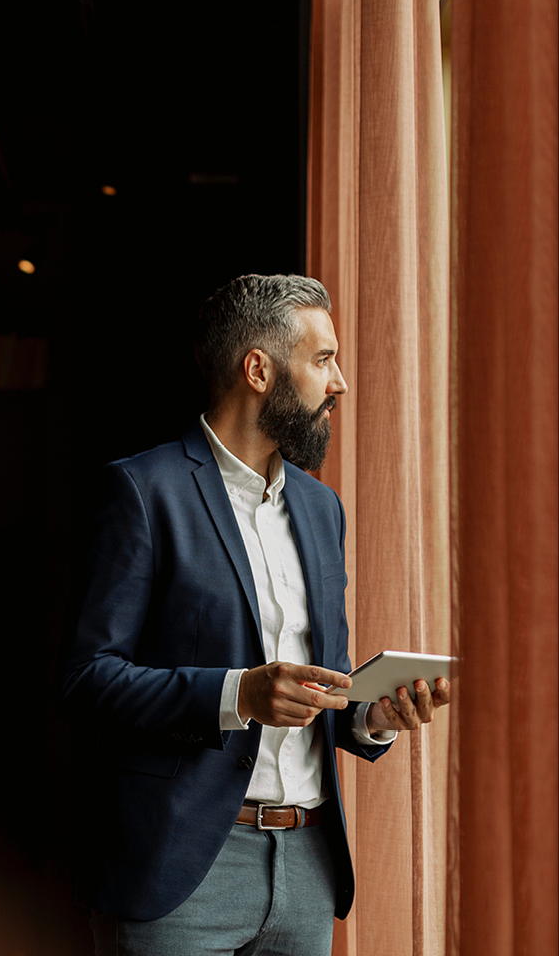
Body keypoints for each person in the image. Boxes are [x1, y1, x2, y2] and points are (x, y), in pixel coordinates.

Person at [57, 274, 450, 956]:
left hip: (308, 870)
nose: (340, 384)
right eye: (323, 359)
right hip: (179, 872)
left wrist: (371, 715)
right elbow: (86, 679)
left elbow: (318, 686)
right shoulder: (143, 491)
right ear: (259, 369)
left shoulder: (322, 509)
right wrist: (238, 693)